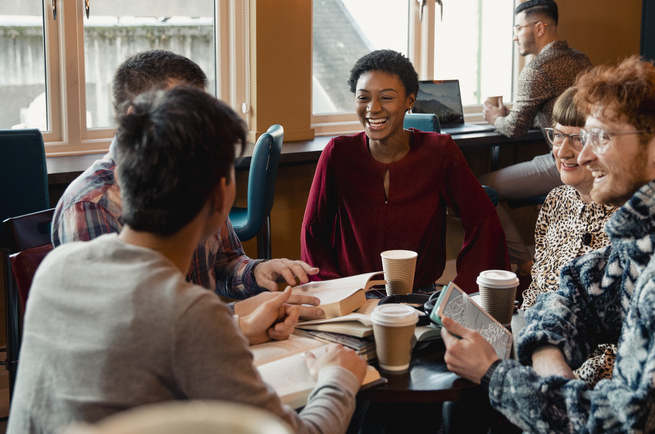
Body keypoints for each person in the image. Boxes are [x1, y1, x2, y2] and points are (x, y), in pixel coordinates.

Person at [441, 56, 655, 431]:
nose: (584, 155)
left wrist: (494, 374)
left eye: (601, 137)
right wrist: (547, 357)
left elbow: (626, 424)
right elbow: (573, 293)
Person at [9, 86, 367, 433]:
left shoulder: (57, 268)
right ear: (221, 197)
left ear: (121, 176)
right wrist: (339, 376)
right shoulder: (191, 315)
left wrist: (238, 328)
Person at [51, 50, 323, 323]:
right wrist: (236, 320)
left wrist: (257, 272)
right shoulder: (91, 204)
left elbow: (224, 263)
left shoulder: (196, 172)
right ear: (135, 118)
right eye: (187, 113)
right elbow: (121, 329)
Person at [301, 49, 509, 293]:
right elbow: (312, 231)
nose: (372, 108)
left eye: (386, 98)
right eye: (363, 97)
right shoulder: (338, 153)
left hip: (420, 293)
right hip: (353, 295)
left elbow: (483, 221)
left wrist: (462, 292)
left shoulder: (439, 151)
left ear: (410, 100)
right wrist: (333, 290)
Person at [481, 0, 591, 275]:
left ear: (539, 27)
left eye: (518, 27)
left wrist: (494, 116)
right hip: (591, 156)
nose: (515, 34)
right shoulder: (580, 59)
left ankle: (524, 261)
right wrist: (513, 113)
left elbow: (515, 128)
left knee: (481, 189)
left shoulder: (537, 69)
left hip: (565, 161)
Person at [518, 86, 618, 387]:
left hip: (587, 373)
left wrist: (570, 383)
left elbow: (620, 342)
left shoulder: (626, 219)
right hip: (536, 340)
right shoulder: (557, 200)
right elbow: (537, 287)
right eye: (558, 135)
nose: (562, 151)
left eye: (578, 138)